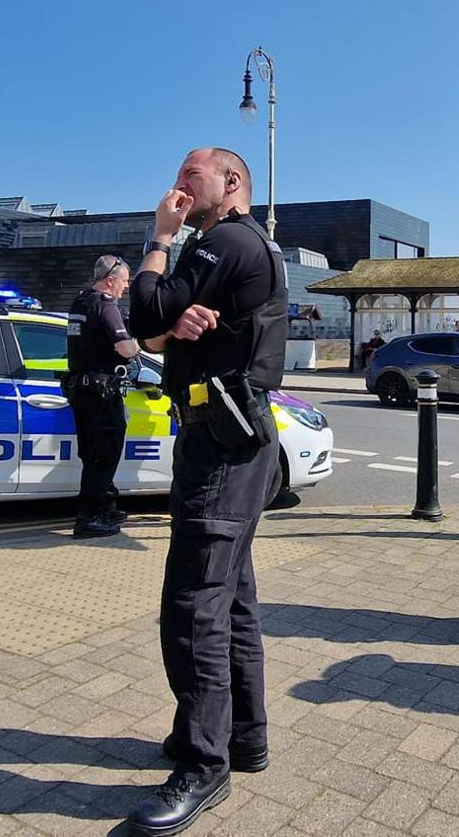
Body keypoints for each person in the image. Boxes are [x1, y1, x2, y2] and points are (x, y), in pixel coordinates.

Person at [126, 148, 287, 835]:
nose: (179, 185)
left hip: (221, 443)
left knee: (194, 604)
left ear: (231, 182)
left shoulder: (220, 238)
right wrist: (177, 322)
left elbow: (142, 312)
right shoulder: (236, 246)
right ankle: (243, 736)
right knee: (234, 597)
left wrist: (160, 237)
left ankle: (203, 762)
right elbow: (164, 327)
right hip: (236, 433)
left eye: (191, 175)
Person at [66, 255, 140, 538]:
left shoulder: (80, 302)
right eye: (124, 281)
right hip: (101, 392)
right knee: (104, 455)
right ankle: (90, 518)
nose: (127, 286)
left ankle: (106, 506)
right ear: (110, 280)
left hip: (82, 390)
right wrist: (138, 345)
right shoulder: (105, 306)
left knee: (93, 454)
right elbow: (124, 349)